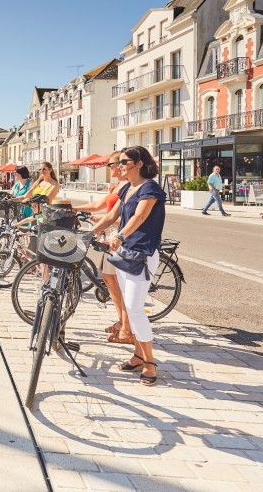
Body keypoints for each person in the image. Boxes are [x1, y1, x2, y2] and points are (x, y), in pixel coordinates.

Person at [93, 146, 166, 386]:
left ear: (139, 163)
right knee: (129, 305)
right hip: (125, 254)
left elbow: (140, 217)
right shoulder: (126, 188)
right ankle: (138, 355)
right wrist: (89, 233)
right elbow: (112, 216)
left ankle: (150, 363)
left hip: (142, 254)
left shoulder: (150, 188)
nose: (120, 165)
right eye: (120, 161)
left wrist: (120, 236)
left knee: (134, 308)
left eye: (124, 161)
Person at [78, 151, 133, 344]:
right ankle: (121, 321)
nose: (108, 169)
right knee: (109, 280)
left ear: (120, 166)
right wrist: (73, 208)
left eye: (110, 165)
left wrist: (101, 222)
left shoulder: (126, 186)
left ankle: (128, 328)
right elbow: (98, 206)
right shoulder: (116, 187)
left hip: (117, 235)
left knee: (118, 283)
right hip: (109, 233)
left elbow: (123, 218)